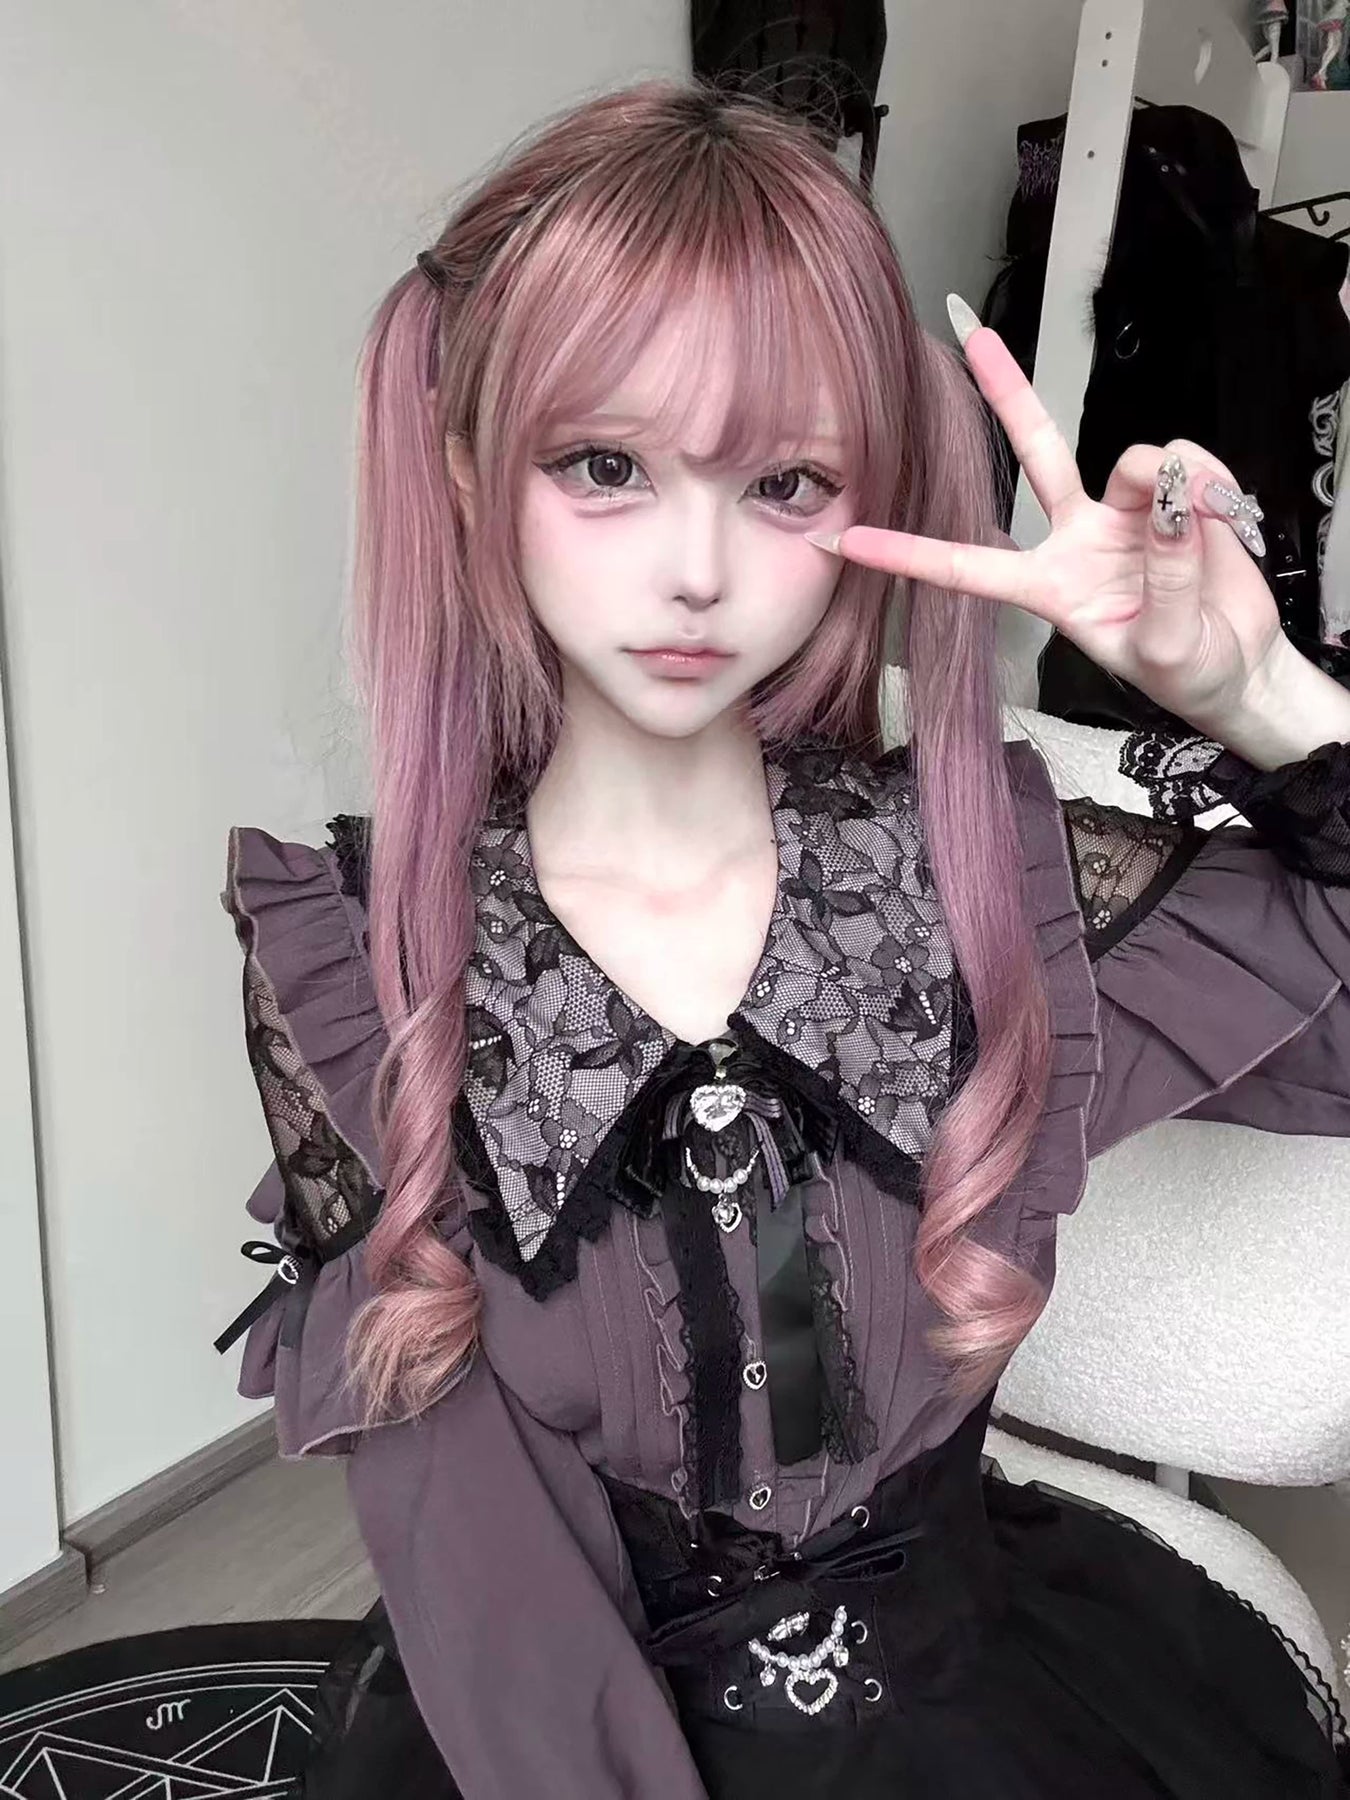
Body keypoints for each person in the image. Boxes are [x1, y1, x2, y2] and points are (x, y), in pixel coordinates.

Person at [214, 77, 1350, 1799]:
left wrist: (1253, 692)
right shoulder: (358, 971)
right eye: (605, 466)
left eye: (783, 481)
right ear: (469, 473)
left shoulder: (974, 883)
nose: (697, 568)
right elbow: (497, 1600)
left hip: (994, 1704)